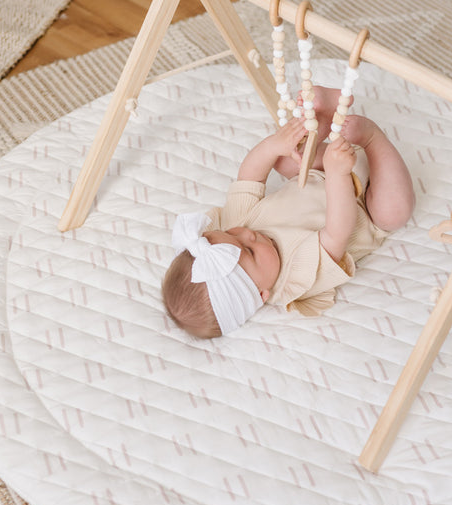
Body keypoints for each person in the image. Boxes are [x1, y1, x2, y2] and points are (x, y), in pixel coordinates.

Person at [162, 86, 415, 338]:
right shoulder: (294, 279)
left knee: (284, 159)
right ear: (261, 295)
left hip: (320, 172)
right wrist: (338, 174)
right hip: (365, 207)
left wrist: (274, 145)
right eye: (250, 251)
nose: (248, 235)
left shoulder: (237, 226)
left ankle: (326, 117)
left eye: (232, 234)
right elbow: (337, 231)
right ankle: (371, 138)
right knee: (393, 213)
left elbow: (249, 175)